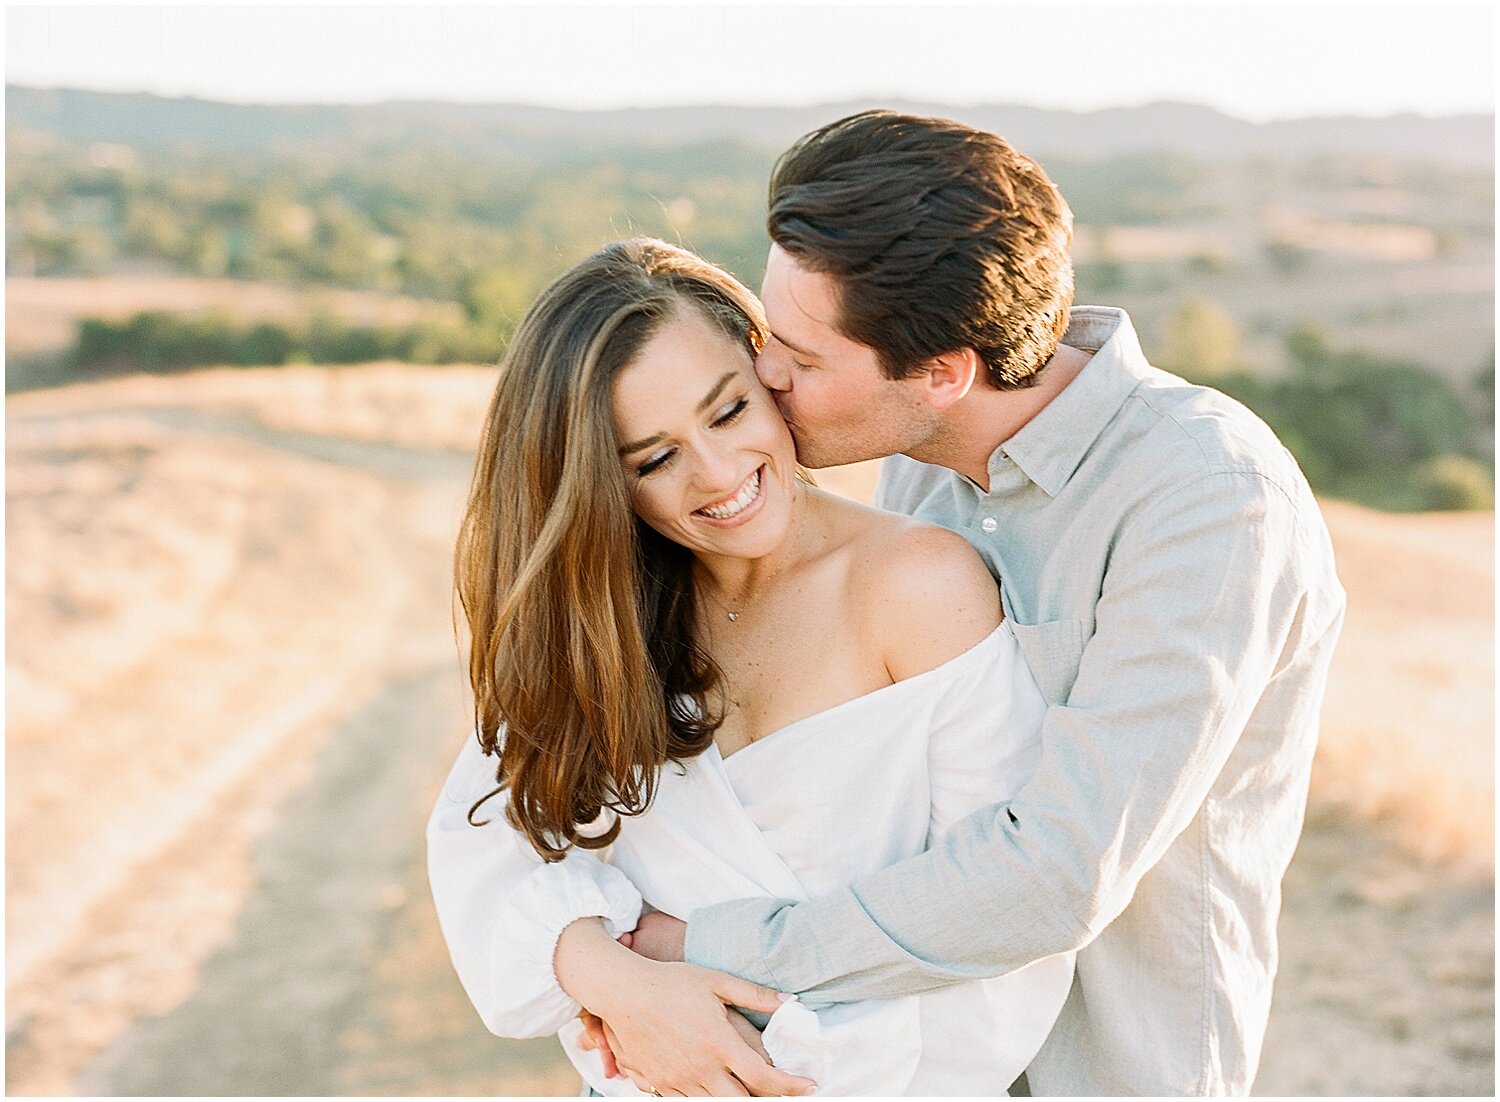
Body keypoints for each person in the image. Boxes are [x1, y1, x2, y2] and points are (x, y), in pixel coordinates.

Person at [432, 110, 1346, 1095]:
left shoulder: (1205, 499)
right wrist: (617, 978)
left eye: (800, 356)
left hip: (1109, 1060)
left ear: (945, 373)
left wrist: (683, 953)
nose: (766, 373)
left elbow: (1053, 870)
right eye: (765, 334)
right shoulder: (918, 465)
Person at [430, 236, 1075, 1097]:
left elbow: (994, 927)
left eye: (729, 411)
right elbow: (489, 849)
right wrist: (617, 982)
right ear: (599, 485)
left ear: (767, 366)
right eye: (654, 459)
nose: (720, 474)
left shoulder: (919, 586)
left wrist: (746, 1057)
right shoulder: (601, 622)